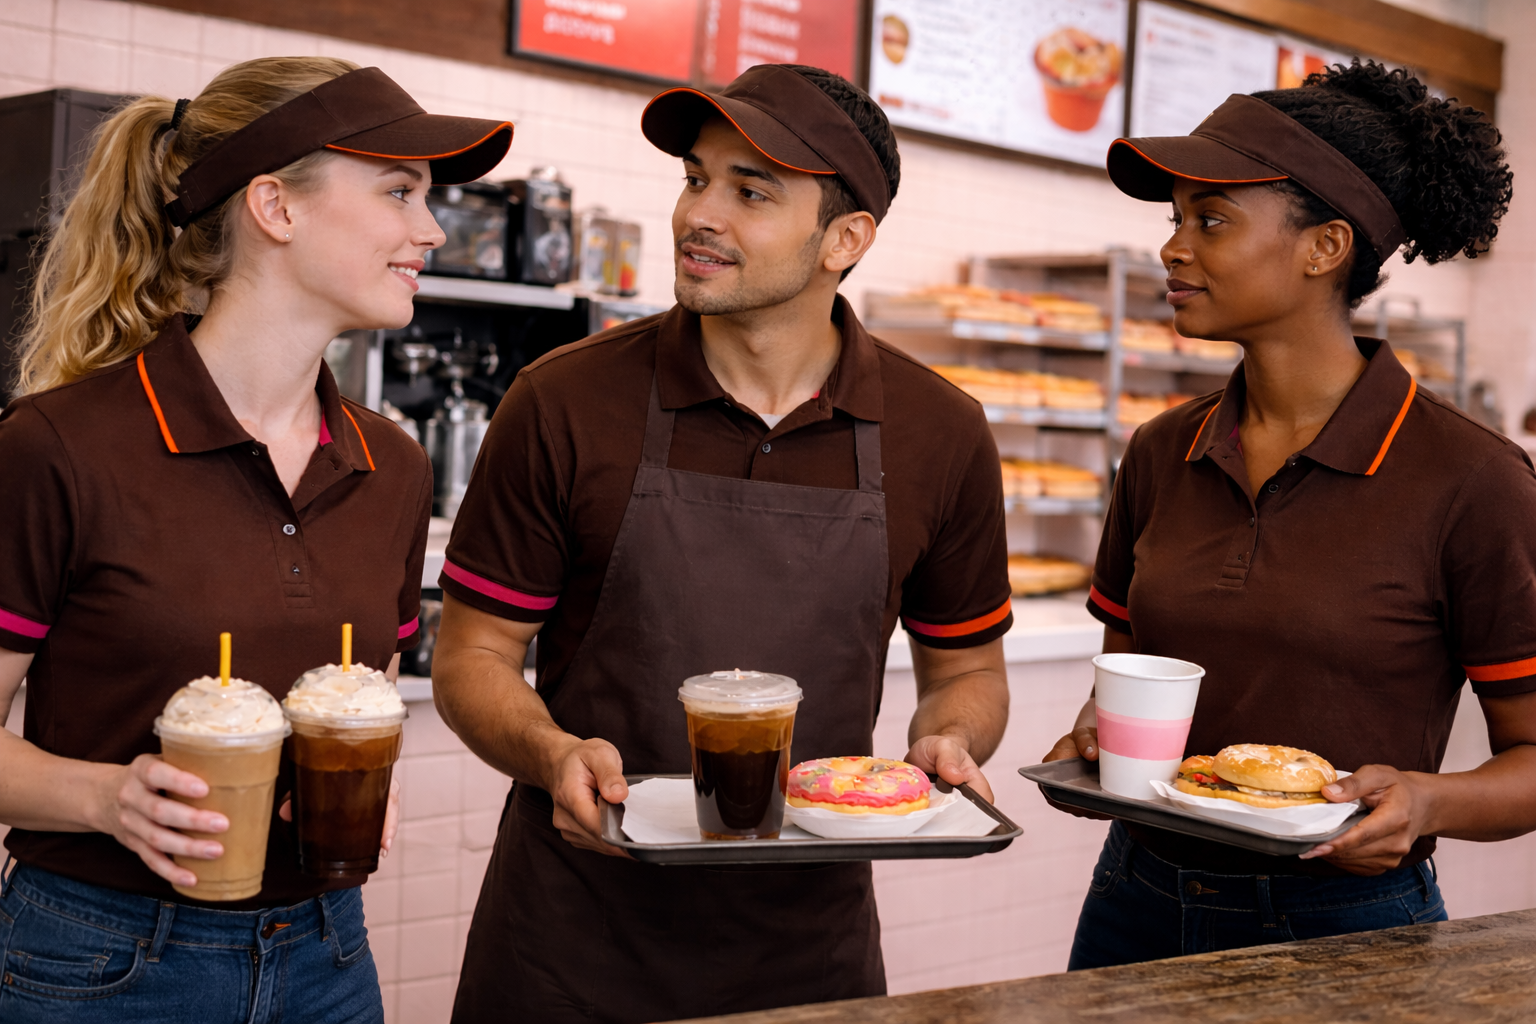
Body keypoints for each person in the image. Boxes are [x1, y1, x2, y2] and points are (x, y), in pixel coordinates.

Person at [434, 64, 1013, 1023]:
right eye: (696, 178)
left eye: (751, 193)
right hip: (573, 944)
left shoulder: (940, 432)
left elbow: (968, 673)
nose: (700, 214)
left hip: (806, 954)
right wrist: (549, 753)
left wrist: (946, 743)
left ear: (846, 239)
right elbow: (471, 658)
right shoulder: (563, 400)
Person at [0, 58, 511, 1021]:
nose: (431, 230)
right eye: (400, 191)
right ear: (274, 206)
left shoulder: (390, 466)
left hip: (326, 955)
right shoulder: (59, 447)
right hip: (100, 964)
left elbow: (364, 700)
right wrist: (109, 799)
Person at [1043, 62, 1529, 968]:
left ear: (1325, 246)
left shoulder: (1473, 481)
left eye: (1211, 220)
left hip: (1347, 921)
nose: (1173, 248)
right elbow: (1129, 676)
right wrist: (1094, 737)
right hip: (1136, 899)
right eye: (1174, 219)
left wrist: (1427, 803)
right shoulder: (1160, 452)